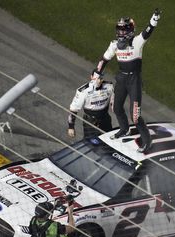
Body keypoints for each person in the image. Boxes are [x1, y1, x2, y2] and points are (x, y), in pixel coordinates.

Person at [92, 9, 161, 153]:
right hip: (122, 78)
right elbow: (104, 59)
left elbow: (148, 31)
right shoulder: (114, 44)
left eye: (123, 30)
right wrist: (97, 71)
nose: (120, 33)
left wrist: (154, 18)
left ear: (130, 30)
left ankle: (147, 141)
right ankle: (124, 129)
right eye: (119, 30)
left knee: (135, 116)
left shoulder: (137, 41)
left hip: (134, 80)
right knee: (116, 108)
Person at [67, 71, 114, 140]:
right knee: (90, 142)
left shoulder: (109, 86)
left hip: (105, 118)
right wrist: (71, 127)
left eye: (101, 78)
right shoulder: (83, 91)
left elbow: (114, 101)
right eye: (97, 78)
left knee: (109, 140)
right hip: (90, 121)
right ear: (91, 77)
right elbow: (73, 109)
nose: (99, 81)